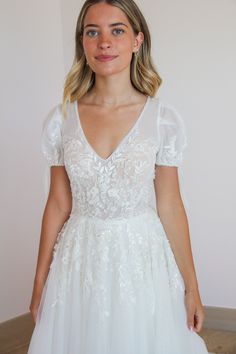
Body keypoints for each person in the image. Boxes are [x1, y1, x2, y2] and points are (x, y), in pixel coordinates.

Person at [27, 0, 209, 353]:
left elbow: (170, 205)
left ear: (137, 41)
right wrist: (39, 283)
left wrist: (192, 287)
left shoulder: (162, 120)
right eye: (92, 32)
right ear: (83, 42)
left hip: (141, 260)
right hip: (80, 260)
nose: (104, 42)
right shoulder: (61, 120)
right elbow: (58, 203)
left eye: (117, 30)